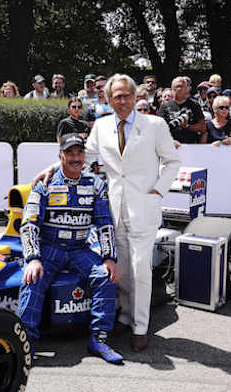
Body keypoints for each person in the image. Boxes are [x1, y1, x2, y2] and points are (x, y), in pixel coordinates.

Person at [35, 74, 181, 352]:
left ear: (136, 96)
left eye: (126, 95)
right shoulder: (101, 126)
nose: (122, 101)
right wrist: (52, 169)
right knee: (120, 266)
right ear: (108, 99)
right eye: (116, 96)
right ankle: (124, 317)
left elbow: (172, 161)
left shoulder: (154, 124)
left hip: (144, 206)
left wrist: (158, 191)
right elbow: (82, 157)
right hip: (113, 208)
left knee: (140, 269)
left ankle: (140, 326)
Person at [18, 133, 122, 363]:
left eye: (79, 153)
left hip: (79, 249)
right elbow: (29, 224)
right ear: (61, 156)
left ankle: (99, 339)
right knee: (33, 278)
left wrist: (109, 258)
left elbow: (104, 222)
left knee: (106, 276)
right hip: (49, 249)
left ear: (84, 155)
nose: (76, 158)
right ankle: (26, 343)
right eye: (70, 153)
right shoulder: (43, 185)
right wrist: (33, 258)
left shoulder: (96, 184)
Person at [159, 76, 206, 144]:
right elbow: (160, 129)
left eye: (184, 86)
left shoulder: (194, 105)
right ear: (172, 89)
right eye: (179, 86)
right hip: (171, 146)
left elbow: (203, 127)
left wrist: (187, 126)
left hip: (190, 146)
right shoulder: (164, 106)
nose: (182, 89)